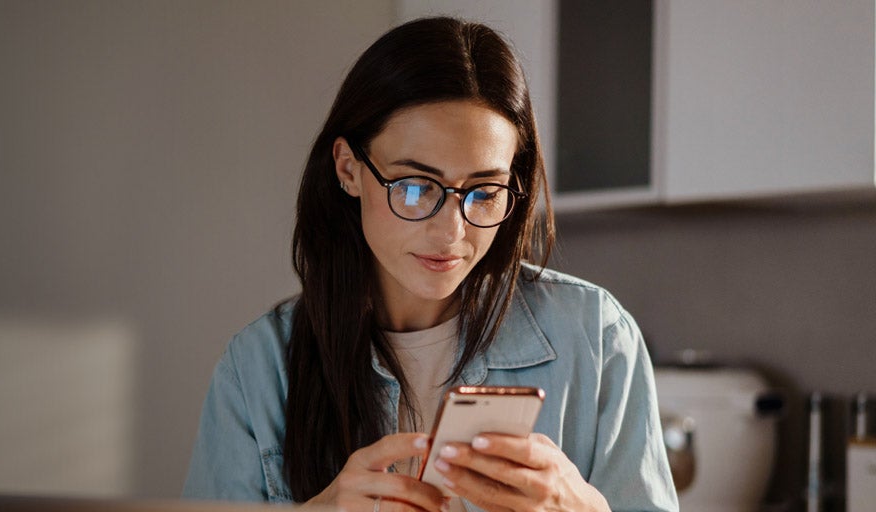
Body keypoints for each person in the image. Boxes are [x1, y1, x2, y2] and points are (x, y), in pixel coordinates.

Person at [182, 16, 678, 512]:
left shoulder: (595, 337)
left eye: (484, 192)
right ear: (348, 169)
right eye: (416, 188)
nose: (452, 233)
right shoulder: (257, 370)